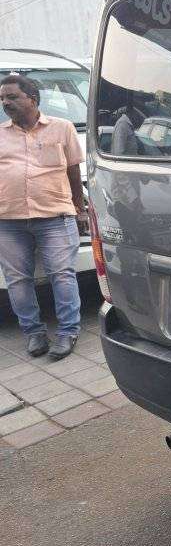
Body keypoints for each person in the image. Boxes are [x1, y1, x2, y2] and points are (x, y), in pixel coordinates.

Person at [0, 74, 85, 359]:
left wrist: (79, 208)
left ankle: (68, 332)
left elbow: (74, 171)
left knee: (62, 275)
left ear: (32, 99)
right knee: (17, 280)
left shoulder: (63, 128)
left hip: (54, 216)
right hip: (8, 220)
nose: (5, 102)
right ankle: (34, 334)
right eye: (2, 98)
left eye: (12, 97)